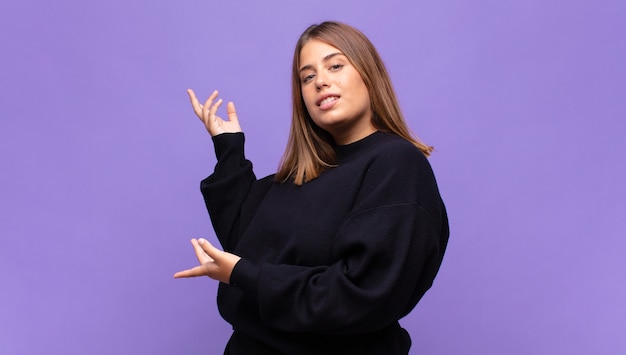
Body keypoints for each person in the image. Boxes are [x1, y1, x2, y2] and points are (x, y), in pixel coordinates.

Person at [174, 21, 449, 355]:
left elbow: (362, 295)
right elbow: (244, 240)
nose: (321, 81)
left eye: (335, 65)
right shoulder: (304, 175)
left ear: (369, 73)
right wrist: (229, 148)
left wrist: (246, 276)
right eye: (307, 77)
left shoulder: (395, 165)